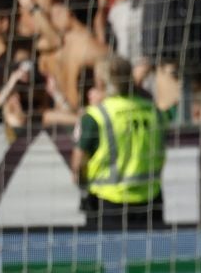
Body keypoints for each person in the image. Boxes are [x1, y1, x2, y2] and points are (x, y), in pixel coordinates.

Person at [70, 54, 166, 227]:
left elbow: (78, 165)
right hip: (151, 200)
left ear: (100, 83)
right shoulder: (153, 111)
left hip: (108, 204)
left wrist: (81, 181)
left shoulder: (96, 116)